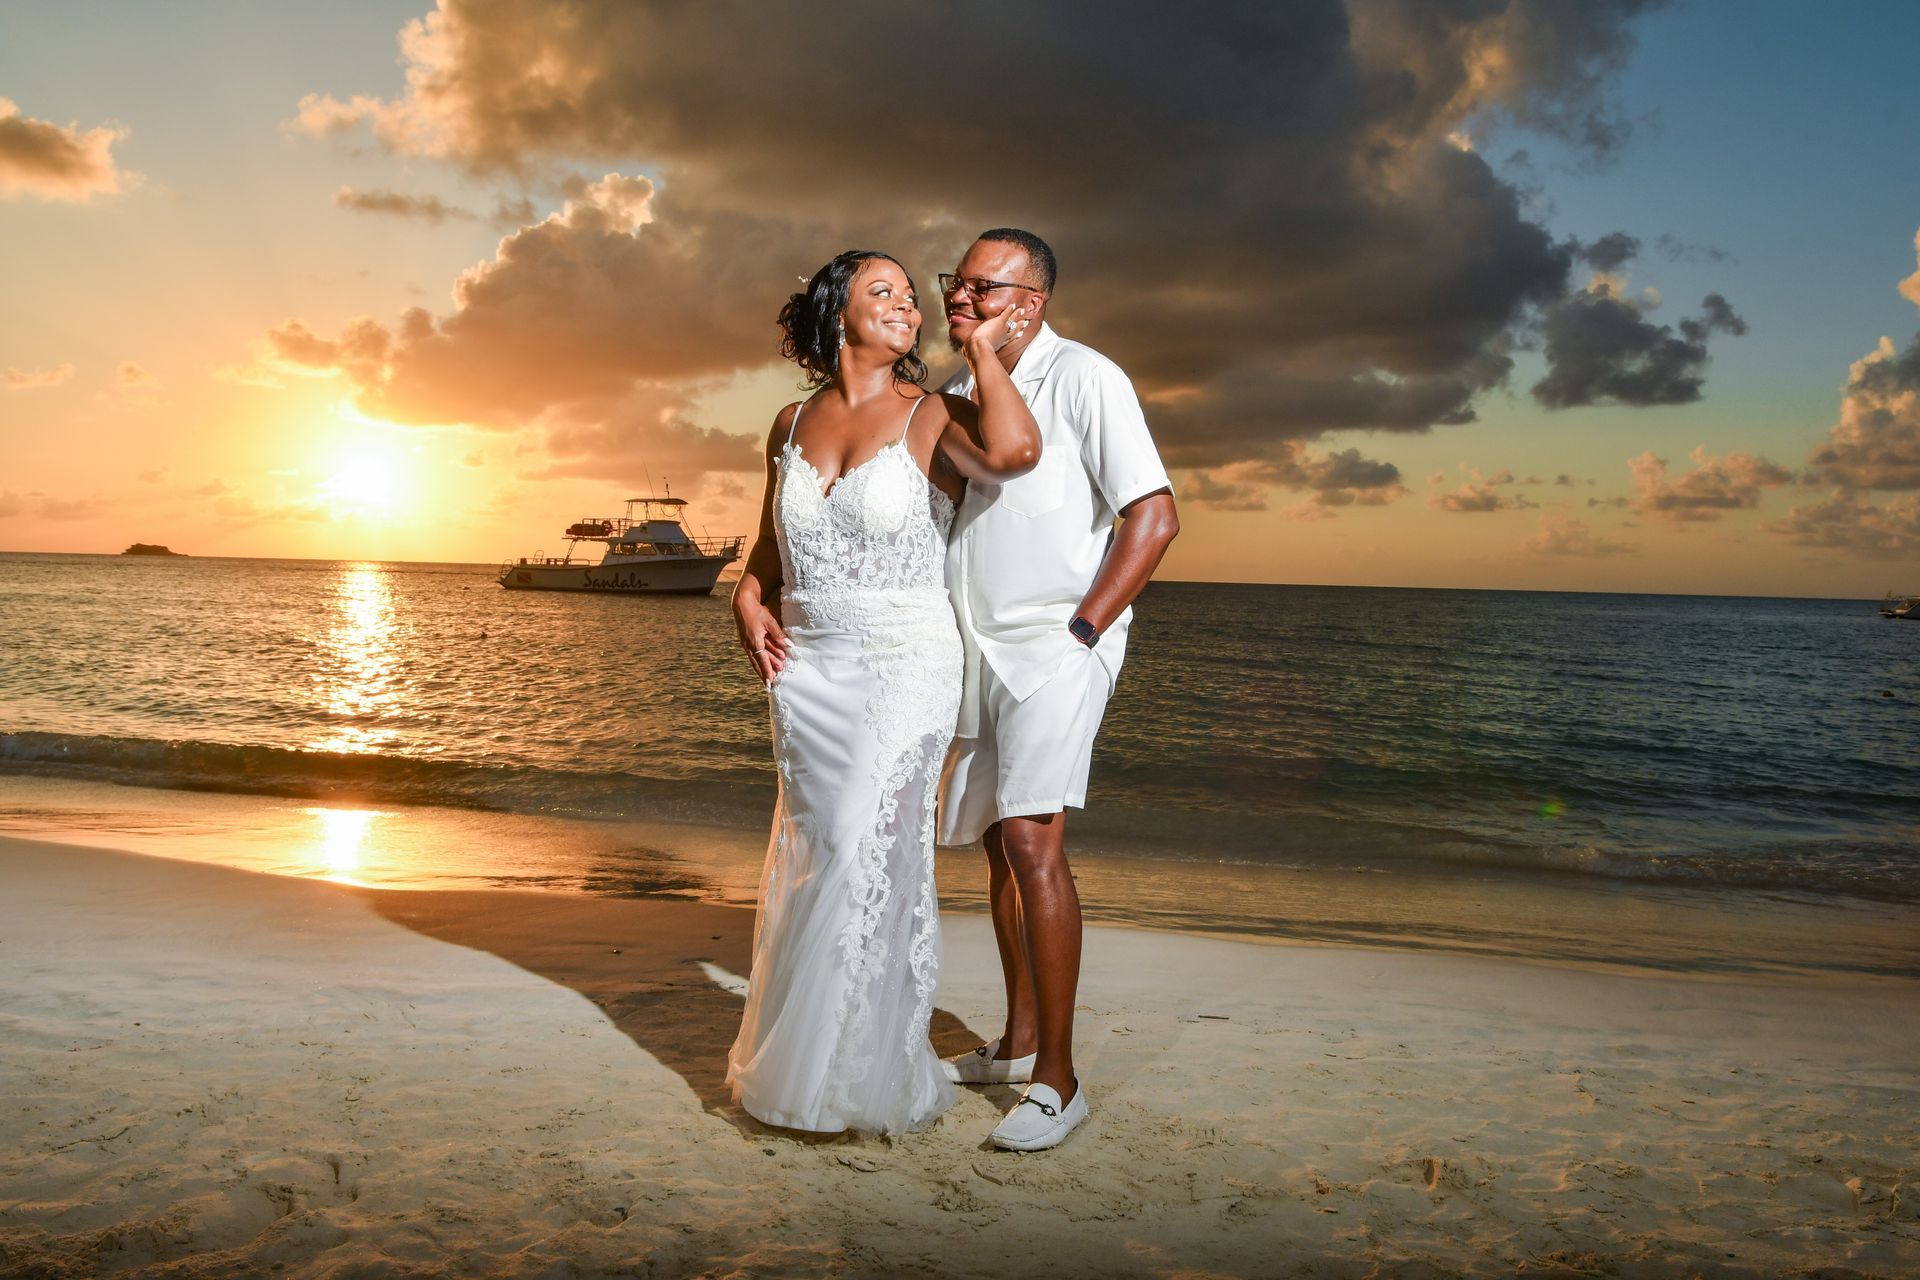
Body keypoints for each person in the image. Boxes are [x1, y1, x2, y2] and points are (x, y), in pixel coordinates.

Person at [726, 250, 1041, 1135]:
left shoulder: (931, 411)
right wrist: (747, 600)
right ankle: (807, 1061)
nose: (908, 305)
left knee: (870, 852)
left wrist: (978, 349)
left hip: (903, 663)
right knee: (821, 849)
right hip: (806, 670)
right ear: (839, 314)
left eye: (912, 295)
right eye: (885, 292)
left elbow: (1014, 453)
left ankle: (858, 1074)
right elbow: (766, 548)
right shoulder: (788, 423)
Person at [936, 228, 1180, 1152]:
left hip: (1054, 643)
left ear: (1030, 302)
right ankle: (1017, 1043)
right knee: (999, 846)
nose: (959, 299)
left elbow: (1153, 518)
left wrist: (1084, 631)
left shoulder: (1087, 376)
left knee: (1036, 841)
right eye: (953, 283)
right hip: (975, 645)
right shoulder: (962, 387)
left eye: (980, 287)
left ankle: (1058, 1081)